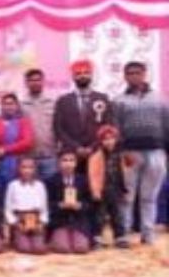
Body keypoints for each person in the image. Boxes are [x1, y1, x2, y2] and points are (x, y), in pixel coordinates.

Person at [113, 61, 169, 245]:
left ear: (145, 74)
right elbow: (115, 130)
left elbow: (167, 126)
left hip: (156, 152)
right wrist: (120, 152)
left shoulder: (159, 99)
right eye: (130, 73)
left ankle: (148, 234)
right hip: (130, 153)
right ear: (125, 76)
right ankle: (125, 234)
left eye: (137, 72)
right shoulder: (119, 101)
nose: (134, 76)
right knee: (127, 196)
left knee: (149, 196)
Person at [53, 60, 112, 166]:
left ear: (91, 75)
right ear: (73, 77)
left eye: (86, 72)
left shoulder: (102, 98)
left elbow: (108, 126)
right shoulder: (63, 101)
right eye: (78, 73)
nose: (82, 76)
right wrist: (76, 147)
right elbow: (58, 129)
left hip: (97, 152)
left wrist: (93, 147)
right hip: (71, 154)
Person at [88, 126, 130, 248]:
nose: (109, 141)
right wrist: (95, 191)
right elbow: (93, 175)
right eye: (105, 139)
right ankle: (97, 238)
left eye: (112, 138)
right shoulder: (96, 157)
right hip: (103, 189)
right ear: (101, 141)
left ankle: (120, 237)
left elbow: (129, 167)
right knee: (100, 215)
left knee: (117, 214)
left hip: (117, 188)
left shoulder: (120, 155)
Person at [46, 151, 91, 254]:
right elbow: (47, 204)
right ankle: (56, 238)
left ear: (76, 163)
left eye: (71, 160)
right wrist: (60, 205)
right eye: (65, 160)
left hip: (79, 221)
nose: (68, 164)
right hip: (59, 221)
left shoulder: (83, 180)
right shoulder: (51, 181)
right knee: (63, 248)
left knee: (81, 248)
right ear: (59, 163)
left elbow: (89, 202)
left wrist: (80, 206)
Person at [4, 157, 48, 254]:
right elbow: (8, 209)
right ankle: (16, 238)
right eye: (24, 167)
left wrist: (42, 223)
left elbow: (44, 208)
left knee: (39, 249)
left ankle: (37, 239)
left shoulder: (40, 185)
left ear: (35, 169)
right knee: (24, 248)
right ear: (18, 169)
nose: (27, 170)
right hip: (20, 221)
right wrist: (15, 223)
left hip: (36, 221)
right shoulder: (13, 185)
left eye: (30, 167)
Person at [0, 93, 34, 184]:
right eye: (5, 104)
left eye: (11, 104)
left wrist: (5, 149)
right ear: (2, 106)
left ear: (17, 106)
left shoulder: (23, 121)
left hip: (17, 163)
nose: (8, 107)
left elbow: (27, 142)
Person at [21, 69, 57, 180]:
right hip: (29, 158)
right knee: (31, 189)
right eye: (31, 80)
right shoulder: (21, 105)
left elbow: (59, 127)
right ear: (26, 83)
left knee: (51, 188)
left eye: (38, 80)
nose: (35, 83)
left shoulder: (52, 103)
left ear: (43, 82)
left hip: (50, 155)